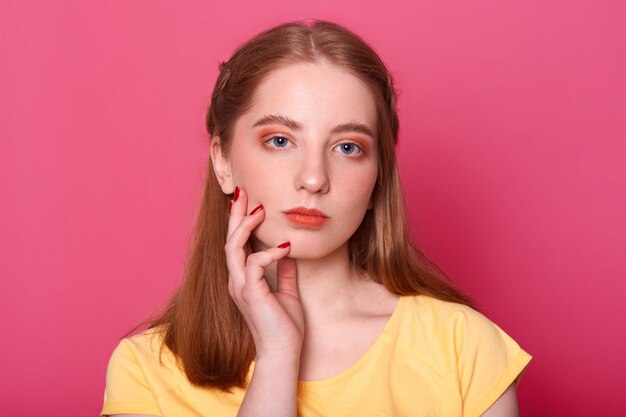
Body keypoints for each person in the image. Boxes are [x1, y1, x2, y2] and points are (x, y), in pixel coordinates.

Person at [101, 20, 532, 417]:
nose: (313, 178)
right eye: (280, 140)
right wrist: (276, 357)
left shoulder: (463, 349)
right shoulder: (146, 370)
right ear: (223, 162)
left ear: (377, 177)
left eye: (348, 147)